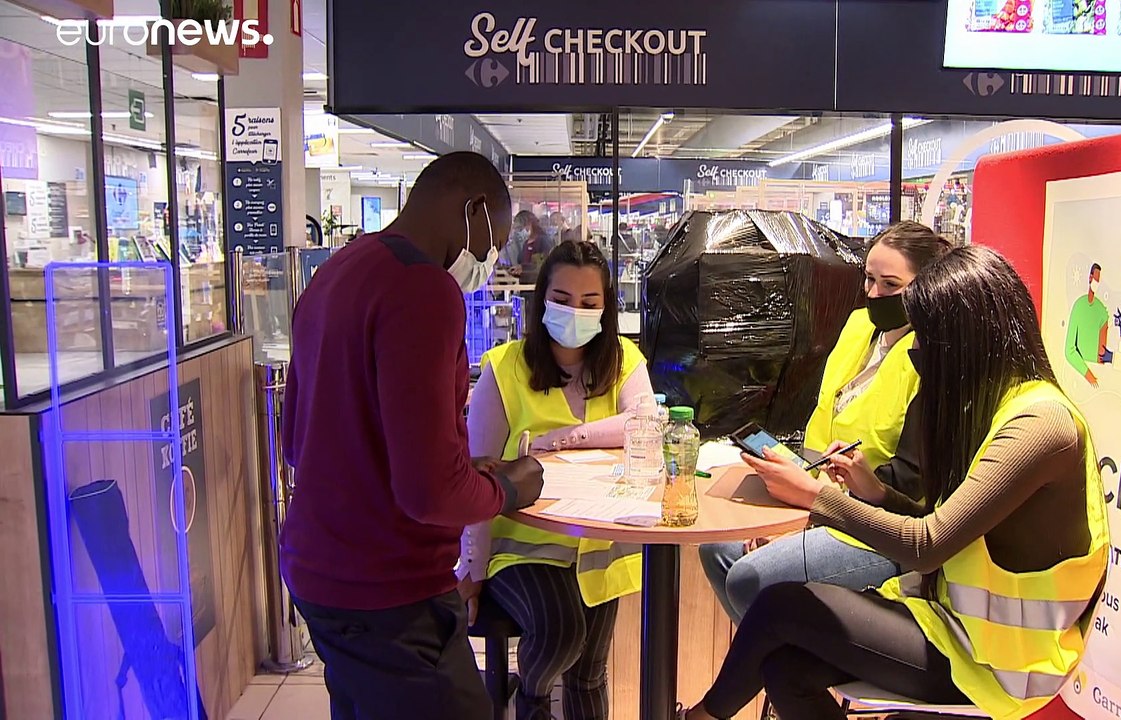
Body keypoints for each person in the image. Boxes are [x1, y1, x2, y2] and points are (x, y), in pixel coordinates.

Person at [679, 246, 1110, 720]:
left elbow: (927, 545)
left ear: (964, 340)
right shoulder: (991, 408)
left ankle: (704, 716)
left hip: (1004, 664)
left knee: (779, 605)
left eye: (926, 338)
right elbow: (945, 528)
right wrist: (877, 494)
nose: (916, 352)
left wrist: (818, 498)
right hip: (954, 628)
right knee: (785, 666)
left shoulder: (1039, 425)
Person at [280, 152, 546, 720]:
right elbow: (429, 493)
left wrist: (461, 471)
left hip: (319, 572)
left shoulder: (336, 271)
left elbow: (298, 437)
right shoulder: (424, 291)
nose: (488, 260)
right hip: (389, 595)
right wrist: (511, 490)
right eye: (492, 240)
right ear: (473, 211)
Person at [698, 222, 949, 625]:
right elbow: (823, 423)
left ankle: (782, 676)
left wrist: (807, 517)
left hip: (874, 525)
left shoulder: (930, 359)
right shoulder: (858, 327)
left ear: (928, 286)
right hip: (817, 494)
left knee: (749, 577)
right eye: (868, 279)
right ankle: (776, 672)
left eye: (890, 285)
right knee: (717, 549)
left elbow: (906, 487)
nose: (873, 294)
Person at [460, 240, 657, 720]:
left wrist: (566, 438)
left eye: (590, 303)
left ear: (607, 308)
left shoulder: (623, 360)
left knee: (590, 674)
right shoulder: (505, 368)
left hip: (601, 545)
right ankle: (531, 697)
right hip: (522, 543)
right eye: (563, 299)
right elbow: (476, 470)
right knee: (562, 631)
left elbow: (646, 423)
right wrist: (471, 569)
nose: (576, 312)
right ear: (542, 298)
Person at [1065, 263, 1109, 387]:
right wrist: (1087, 374)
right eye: (1095, 278)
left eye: (1098, 280)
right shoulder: (1079, 306)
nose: (1096, 282)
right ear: (1089, 278)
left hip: (1096, 379)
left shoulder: (1102, 312)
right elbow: (1069, 350)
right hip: (1078, 376)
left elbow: (1102, 354)